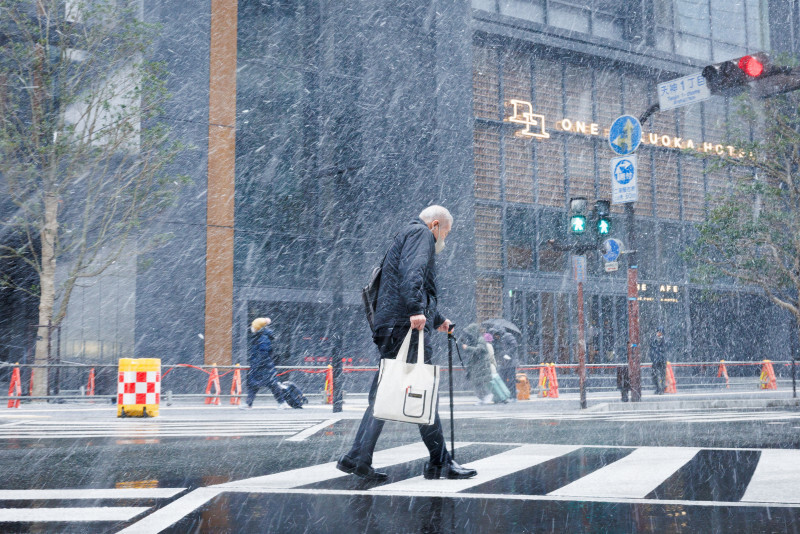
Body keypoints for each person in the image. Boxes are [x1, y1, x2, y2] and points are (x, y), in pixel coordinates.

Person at [337, 205, 477, 481]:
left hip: (391, 325)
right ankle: (439, 462)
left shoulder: (405, 235)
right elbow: (412, 274)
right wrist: (416, 310)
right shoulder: (420, 234)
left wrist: (438, 319)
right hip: (404, 327)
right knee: (422, 391)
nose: (443, 241)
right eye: (444, 234)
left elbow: (408, 282)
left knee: (384, 394)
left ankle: (357, 457)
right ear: (435, 225)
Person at [243, 317, 290, 409]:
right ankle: (249, 403)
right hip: (261, 366)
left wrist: (257, 364)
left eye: (253, 327)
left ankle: (282, 402)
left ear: (258, 328)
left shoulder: (262, 339)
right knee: (254, 385)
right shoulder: (259, 337)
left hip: (264, 367)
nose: (252, 328)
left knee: (272, 385)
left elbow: (263, 354)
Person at [462, 324, 495, 404]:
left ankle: (486, 396)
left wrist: (467, 348)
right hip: (477, 366)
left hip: (480, 366)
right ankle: (483, 398)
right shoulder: (475, 340)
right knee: (477, 383)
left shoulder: (480, 339)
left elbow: (479, 350)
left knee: (479, 383)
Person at [493, 329, 519, 401]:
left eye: (496, 335)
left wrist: (507, 353)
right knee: (503, 379)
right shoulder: (500, 339)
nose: (496, 337)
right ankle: (506, 395)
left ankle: (513, 396)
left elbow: (514, 346)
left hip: (510, 362)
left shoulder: (508, 336)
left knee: (511, 380)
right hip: (504, 363)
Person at [649, 326, 668, 394]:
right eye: (658, 332)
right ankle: (658, 388)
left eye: (660, 332)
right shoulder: (653, 340)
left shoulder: (664, 340)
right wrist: (652, 357)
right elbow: (651, 350)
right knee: (655, 375)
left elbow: (665, 349)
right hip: (655, 360)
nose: (658, 333)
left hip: (661, 360)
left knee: (662, 375)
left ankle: (662, 388)